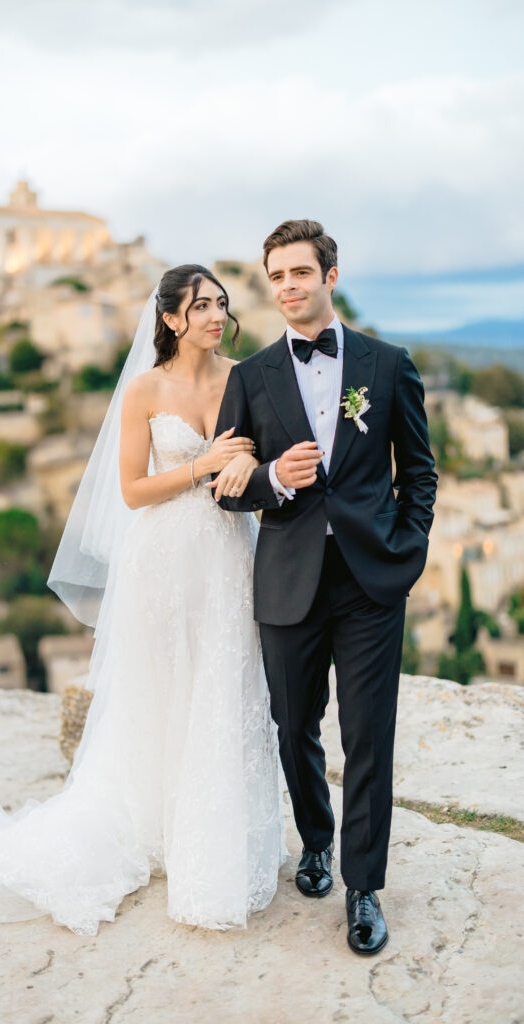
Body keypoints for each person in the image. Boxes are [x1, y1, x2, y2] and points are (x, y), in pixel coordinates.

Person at [0, 266, 286, 936]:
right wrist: (202, 464)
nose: (214, 316)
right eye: (199, 306)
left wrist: (251, 466)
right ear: (169, 319)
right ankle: (160, 825)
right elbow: (133, 491)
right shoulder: (143, 389)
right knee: (164, 693)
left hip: (228, 554)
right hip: (162, 559)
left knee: (226, 690)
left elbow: (258, 460)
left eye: (220, 304)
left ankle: (221, 838)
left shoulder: (245, 378)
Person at [212, 220, 437, 955]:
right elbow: (225, 486)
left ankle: (362, 886)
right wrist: (274, 479)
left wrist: (407, 546)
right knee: (291, 723)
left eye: (299, 273)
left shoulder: (388, 362)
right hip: (285, 580)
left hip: (371, 579)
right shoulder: (248, 377)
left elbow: (419, 472)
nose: (286, 287)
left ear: (329, 277)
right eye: (275, 276)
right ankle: (315, 839)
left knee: (368, 735)